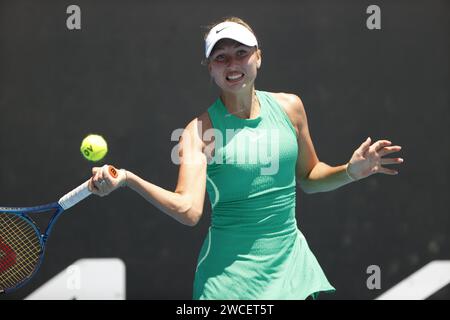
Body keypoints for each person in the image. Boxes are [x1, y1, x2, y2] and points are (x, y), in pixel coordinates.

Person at [89, 17, 404, 299]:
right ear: (209, 68)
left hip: (291, 272)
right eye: (220, 57)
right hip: (228, 284)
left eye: (241, 53)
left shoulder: (290, 108)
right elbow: (188, 210)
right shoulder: (198, 132)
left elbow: (309, 177)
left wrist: (350, 171)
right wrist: (129, 180)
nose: (232, 63)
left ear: (259, 57)